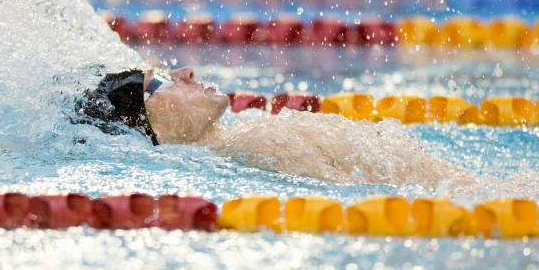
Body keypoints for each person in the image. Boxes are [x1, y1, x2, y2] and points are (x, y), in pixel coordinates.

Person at [77, 66, 470, 189]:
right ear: (151, 128)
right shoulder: (259, 143)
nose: (185, 71)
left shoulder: (249, 143)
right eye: (160, 82)